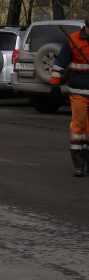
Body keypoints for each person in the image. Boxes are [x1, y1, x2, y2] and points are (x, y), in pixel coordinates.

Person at [50, 18, 89, 176]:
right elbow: (59, 63)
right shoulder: (73, 40)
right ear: (86, 27)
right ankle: (79, 164)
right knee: (79, 127)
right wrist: (55, 84)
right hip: (79, 91)